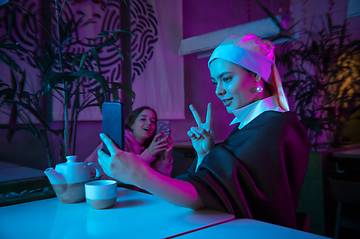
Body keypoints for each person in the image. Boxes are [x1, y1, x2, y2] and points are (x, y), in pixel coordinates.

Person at [96, 34, 309, 229]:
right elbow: (228, 190)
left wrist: (139, 174)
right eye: (215, 82)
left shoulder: (275, 126)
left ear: (256, 76)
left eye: (227, 79)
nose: (218, 91)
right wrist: (206, 155)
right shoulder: (253, 125)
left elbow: (203, 194)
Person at [85, 106, 173, 178]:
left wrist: (166, 157)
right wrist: (149, 153)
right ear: (131, 124)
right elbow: (123, 175)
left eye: (153, 121)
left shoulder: (144, 148)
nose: (149, 123)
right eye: (143, 119)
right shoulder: (118, 142)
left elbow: (159, 181)